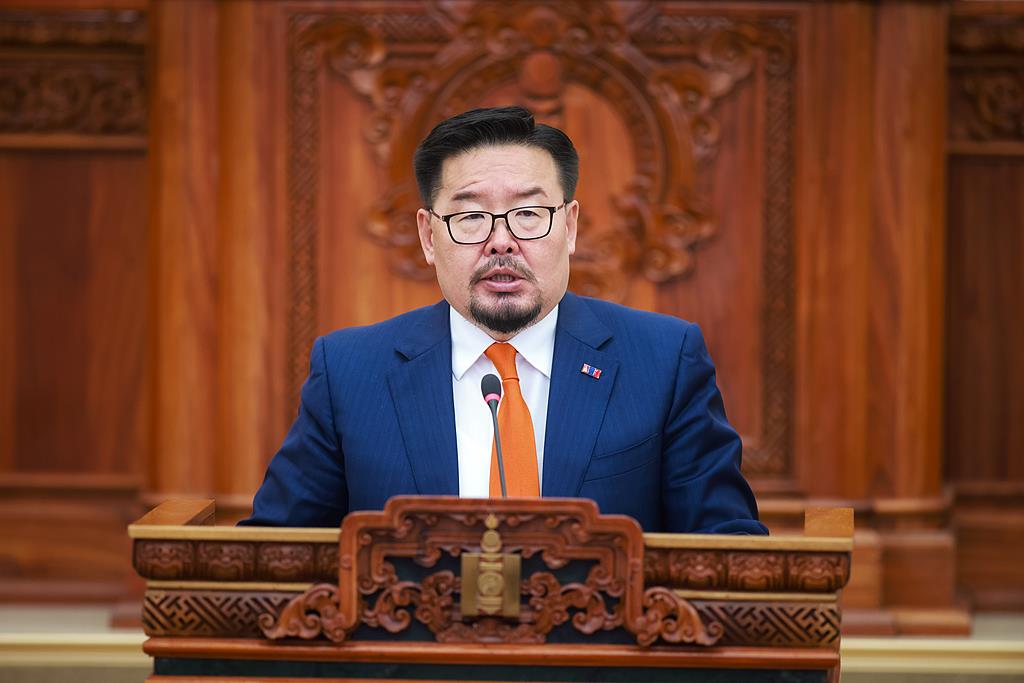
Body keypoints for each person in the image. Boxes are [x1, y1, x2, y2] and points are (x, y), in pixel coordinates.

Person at [242, 106, 766, 534]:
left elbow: (726, 549)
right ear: (428, 236)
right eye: (471, 216)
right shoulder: (351, 372)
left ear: (570, 227)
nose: (501, 241)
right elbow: (273, 552)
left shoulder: (662, 360)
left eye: (529, 214)